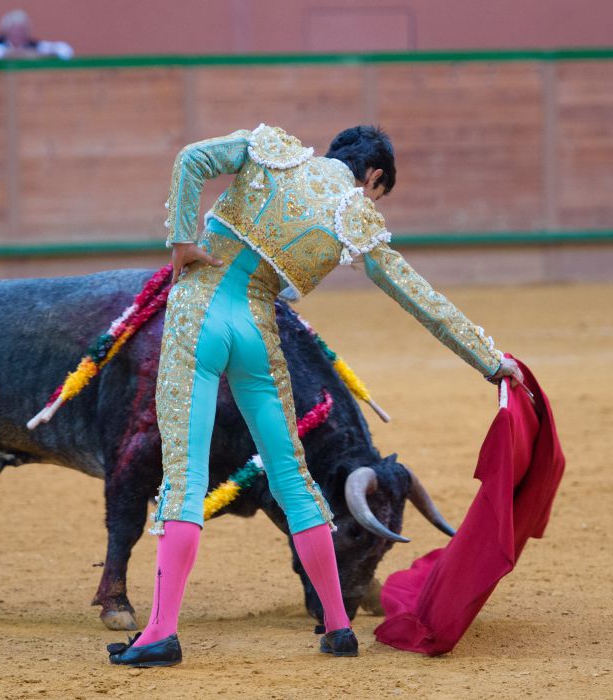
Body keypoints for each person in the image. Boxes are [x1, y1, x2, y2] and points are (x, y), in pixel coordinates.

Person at [106, 124, 523, 667]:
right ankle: (337, 625)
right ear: (373, 176)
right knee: (293, 479)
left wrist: (183, 239)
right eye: (378, 190)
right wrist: (490, 361)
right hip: (258, 330)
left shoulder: (271, 150)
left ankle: (161, 632)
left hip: (198, 315)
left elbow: (190, 159)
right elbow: (421, 298)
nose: (369, 198)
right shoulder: (357, 219)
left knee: (185, 474)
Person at [0, 9, 73, 61]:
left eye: (22, 30)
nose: (19, 34)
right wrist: (25, 55)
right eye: (15, 30)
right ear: (6, 31)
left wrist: (40, 54)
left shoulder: (34, 45)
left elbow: (65, 51)